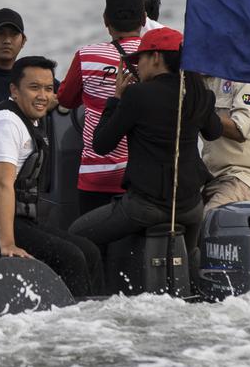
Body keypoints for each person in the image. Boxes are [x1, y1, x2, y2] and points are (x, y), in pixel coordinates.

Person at [0, 56, 104, 297]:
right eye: (34, 88)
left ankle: (94, 315)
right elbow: (3, 184)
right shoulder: (6, 124)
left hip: (15, 221)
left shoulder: (26, 119)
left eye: (48, 89)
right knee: (72, 257)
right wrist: (8, 244)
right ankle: (75, 319)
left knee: (89, 251)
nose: (43, 96)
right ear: (14, 90)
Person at [68, 27, 222, 253]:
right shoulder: (200, 95)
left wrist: (115, 100)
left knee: (76, 235)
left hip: (146, 207)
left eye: (140, 58)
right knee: (188, 257)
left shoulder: (137, 95)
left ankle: (100, 289)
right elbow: (214, 132)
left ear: (156, 57)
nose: (137, 65)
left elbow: (101, 145)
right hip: (191, 207)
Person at [55, 0, 148, 215]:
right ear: (144, 19)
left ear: (106, 20)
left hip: (96, 176)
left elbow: (66, 99)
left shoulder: (87, 56)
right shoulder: (155, 58)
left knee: (94, 240)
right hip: (142, 175)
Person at [201, 77, 250, 212]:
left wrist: (202, 115)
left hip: (243, 176)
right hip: (208, 177)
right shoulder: (193, 80)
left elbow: (241, 130)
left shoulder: (246, 77)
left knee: (211, 217)